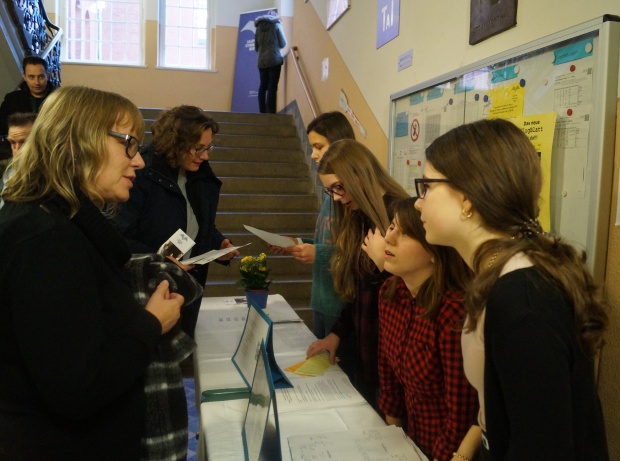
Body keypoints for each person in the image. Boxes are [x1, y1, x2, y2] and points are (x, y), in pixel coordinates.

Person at [0, 85, 184, 460]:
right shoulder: (45, 239)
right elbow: (78, 388)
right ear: (78, 140)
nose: (139, 161)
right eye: (128, 144)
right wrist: (151, 323)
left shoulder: (56, 224)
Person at [414, 118, 609, 460]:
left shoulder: (522, 297)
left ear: (467, 198)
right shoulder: (497, 275)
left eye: (427, 187)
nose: (418, 202)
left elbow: (543, 447)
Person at [364, 197, 478, 461]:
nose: (389, 238)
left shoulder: (453, 311)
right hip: (409, 441)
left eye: (405, 234)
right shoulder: (391, 292)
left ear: (435, 252)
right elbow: (388, 373)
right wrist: (393, 439)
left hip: (449, 449)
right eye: (392, 227)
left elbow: (461, 412)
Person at [113, 105, 239, 338]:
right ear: (176, 143)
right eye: (198, 148)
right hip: (148, 288)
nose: (205, 156)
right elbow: (118, 237)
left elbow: (197, 221)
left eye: (208, 147)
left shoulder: (200, 174)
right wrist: (160, 260)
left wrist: (218, 242)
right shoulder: (142, 173)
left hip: (187, 282)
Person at [306, 139, 409, 409]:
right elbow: (361, 291)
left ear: (359, 173)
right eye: (330, 191)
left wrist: (384, 264)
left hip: (396, 367)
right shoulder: (359, 217)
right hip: (368, 359)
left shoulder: (400, 215)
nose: (336, 197)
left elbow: (415, 295)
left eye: (339, 187)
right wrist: (336, 334)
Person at [270, 111, 356, 377]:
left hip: (342, 306)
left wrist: (317, 253)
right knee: (322, 373)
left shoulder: (349, 196)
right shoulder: (332, 195)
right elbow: (326, 240)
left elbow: (356, 253)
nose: (313, 155)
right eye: (312, 147)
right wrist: (298, 244)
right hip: (321, 300)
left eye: (319, 146)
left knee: (340, 377)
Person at [0, 56, 56, 136]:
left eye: (41, 77)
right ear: (24, 76)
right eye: (31, 77)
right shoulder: (12, 99)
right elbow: (2, 127)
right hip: (21, 142)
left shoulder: (59, 99)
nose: (36, 82)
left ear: (47, 75)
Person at [254, 11, 287, 113]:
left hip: (261, 61)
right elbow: (283, 43)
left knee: (263, 86)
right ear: (275, 17)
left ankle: (262, 111)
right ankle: (271, 113)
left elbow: (256, 47)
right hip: (274, 59)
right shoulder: (276, 25)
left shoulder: (258, 28)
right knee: (272, 87)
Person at [0, 112, 37, 199]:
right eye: (12, 142)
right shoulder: (9, 171)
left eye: (24, 142)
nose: (17, 150)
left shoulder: (51, 177)